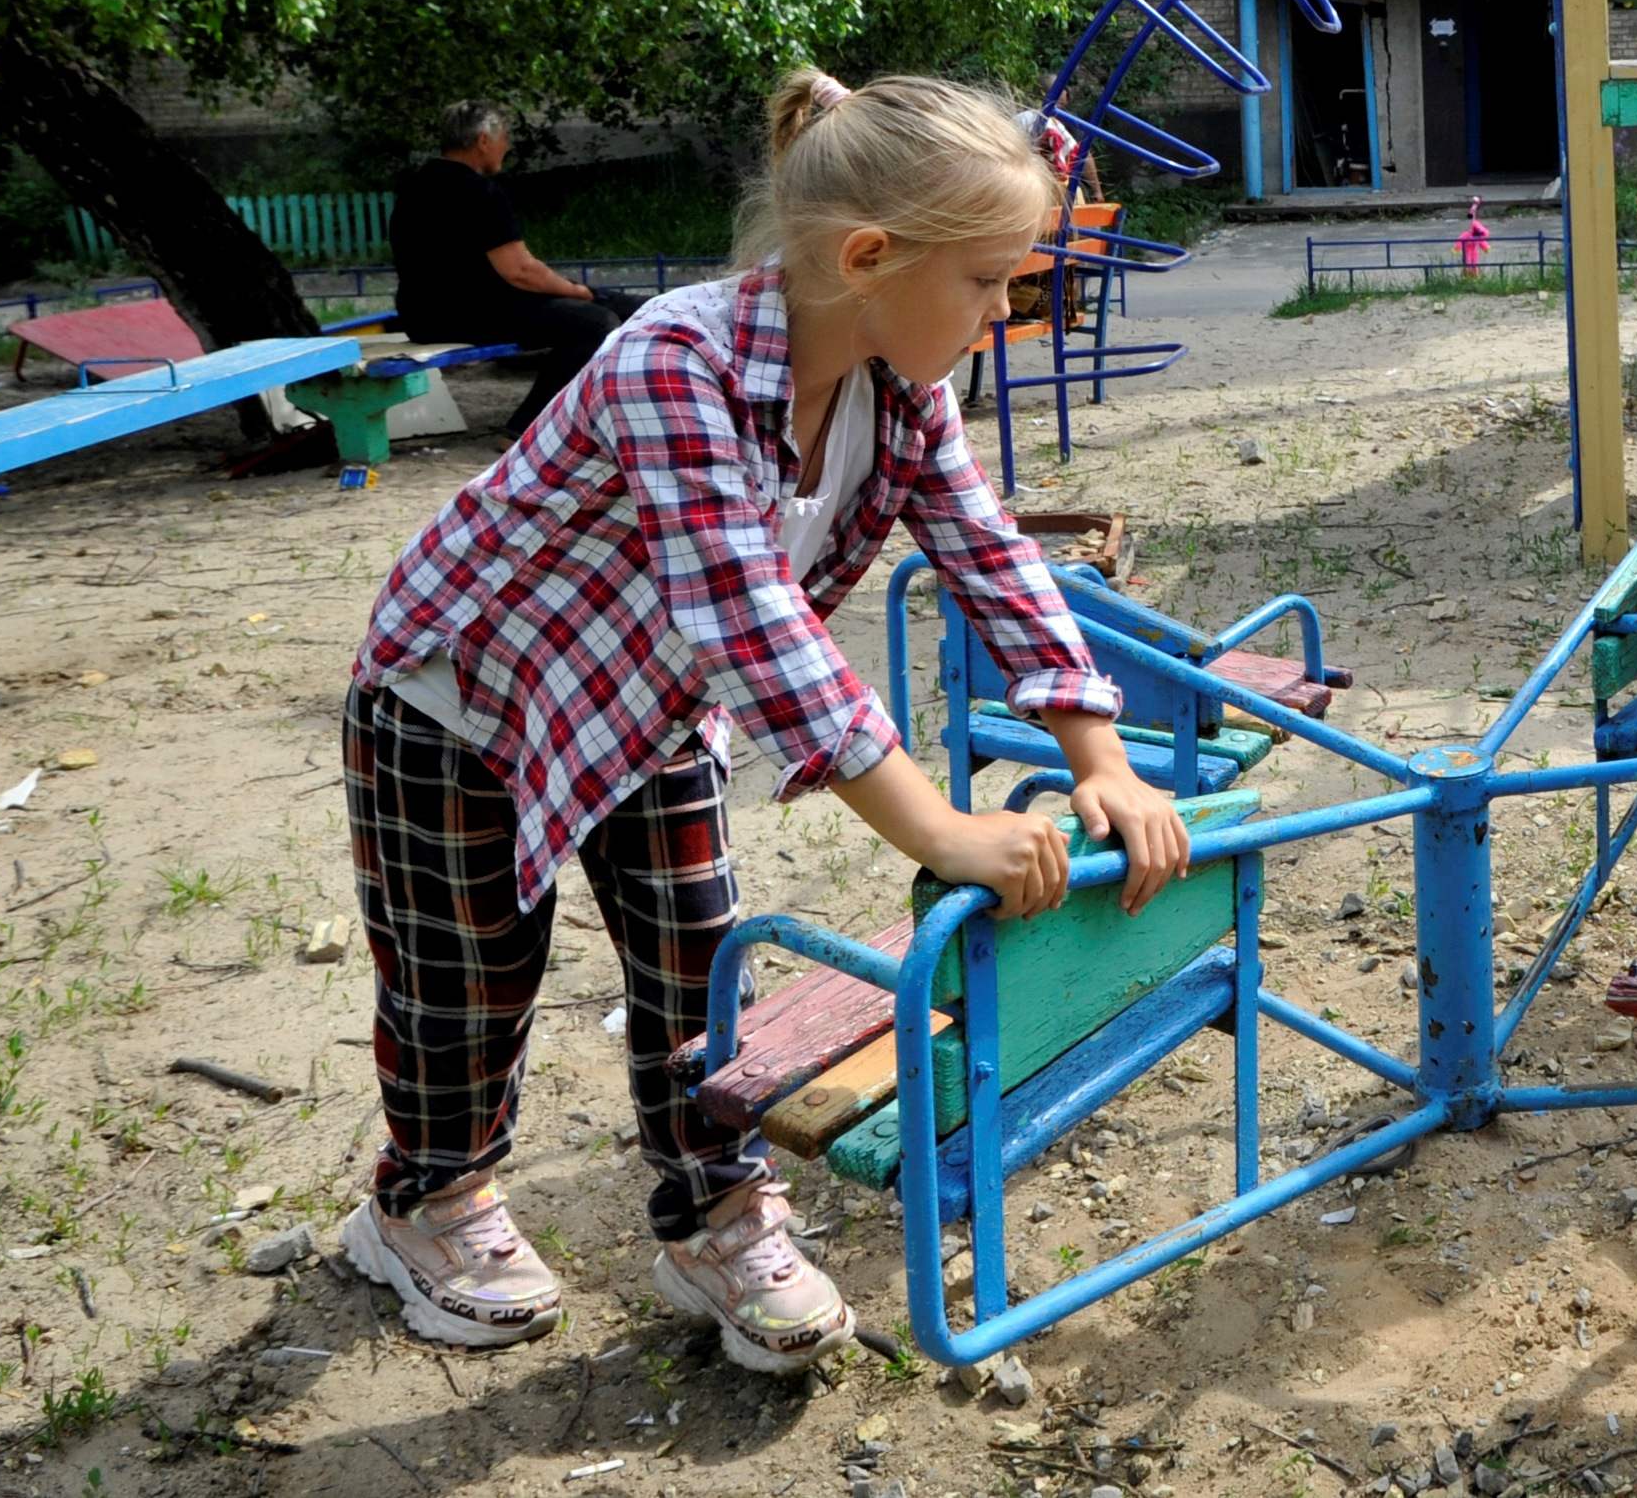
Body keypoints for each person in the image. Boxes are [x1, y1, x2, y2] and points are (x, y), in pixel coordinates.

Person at [338, 69, 1186, 1373]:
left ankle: (715, 1215)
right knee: (467, 977)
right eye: (986, 280)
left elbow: (992, 558)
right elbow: (746, 618)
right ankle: (425, 1203)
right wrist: (937, 825)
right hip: (460, 697)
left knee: (697, 963)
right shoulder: (672, 362)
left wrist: (1099, 754)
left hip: (653, 704)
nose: (1007, 307)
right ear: (867, 258)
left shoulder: (898, 390)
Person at [390, 103, 637, 441]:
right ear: (482, 141)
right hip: (469, 313)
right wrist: (575, 290)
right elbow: (520, 271)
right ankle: (527, 426)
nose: (506, 146)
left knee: (611, 305)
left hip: (422, 314)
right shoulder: (478, 192)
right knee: (595, 321)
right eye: (504, 138)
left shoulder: (413, 187)